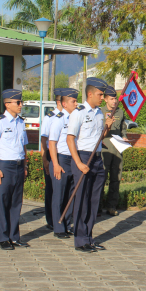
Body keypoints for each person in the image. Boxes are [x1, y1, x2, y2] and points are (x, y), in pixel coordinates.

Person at [67, 77, 114, 253]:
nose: (102, 97)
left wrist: (107, 127)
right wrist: (78, 163)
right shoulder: (78, 112)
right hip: (83, 157)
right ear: (90, 94)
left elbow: (98, 138)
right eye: (100, 94)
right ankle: (80, 240)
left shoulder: (100, 114)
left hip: (97, 157)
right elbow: (70, 138)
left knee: (94, 201)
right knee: (83, 201)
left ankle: (89, 237)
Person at [0, 89, 29, 250]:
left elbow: (24, 146)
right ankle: (3, 237)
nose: (21, 105)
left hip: (18, 166)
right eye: (18, 102)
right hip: (4, 166)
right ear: (7, 104)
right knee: (2, 203)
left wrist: (25, 165)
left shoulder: (20, 122)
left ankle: (14, 236)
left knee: (15, 203)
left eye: (21, 102)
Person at [48, 88, 79, 239]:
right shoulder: (58, 119)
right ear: (64, 104)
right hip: (61, 159)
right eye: (73, 101)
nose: (76, 103)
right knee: (59, 195)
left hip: (73, 159)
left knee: (70, 194)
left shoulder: (76, 118)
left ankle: (67, 225)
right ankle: (58, 228)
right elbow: (52, 143)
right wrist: (55, 164)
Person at [100, 85, 128, 217]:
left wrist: (124, 136)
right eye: (111, 99)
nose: (114, 101)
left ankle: (112, 206)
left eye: (115, 99)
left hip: (117, 148)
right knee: (102, 177)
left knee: (116, 177)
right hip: (105, 147)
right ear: (105, 99)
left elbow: (123, 127)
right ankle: (98, 205)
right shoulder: (100, 111)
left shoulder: (120, 112)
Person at [40, 88, 64, 230]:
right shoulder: (50, 117)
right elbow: (44, 140)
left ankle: (62, 217)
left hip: (63, 155)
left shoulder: (69, 116)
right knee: (51, 188)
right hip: (50, 154)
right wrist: (45, 160)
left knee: (63, 189)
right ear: (59, 101)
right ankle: (51, 219)